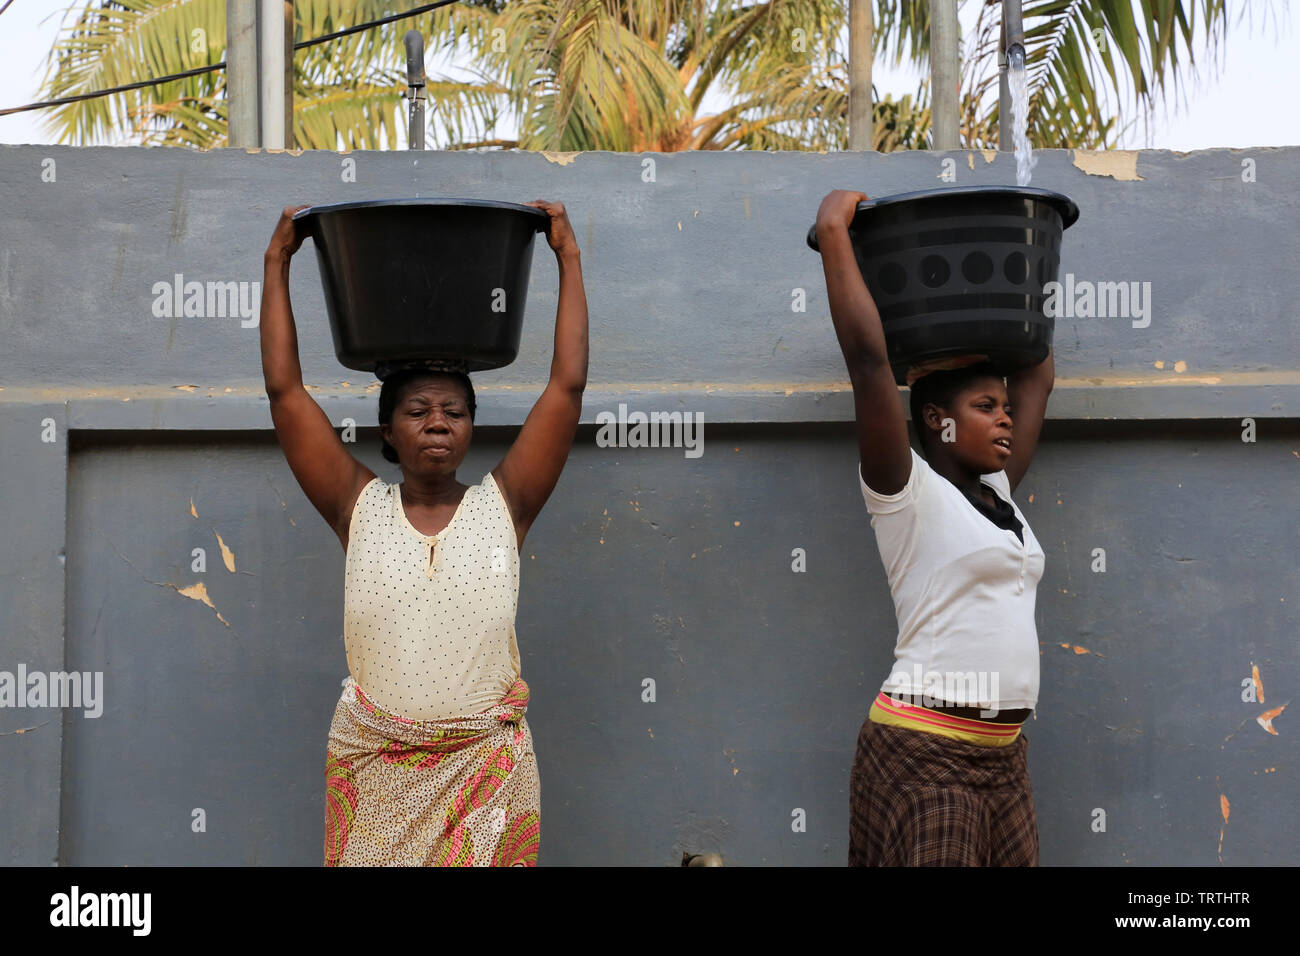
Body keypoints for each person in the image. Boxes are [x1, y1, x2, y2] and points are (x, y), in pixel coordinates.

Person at [259, 199, 588, 866]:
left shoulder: (507, 504)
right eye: (417, 410)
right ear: (387, 430)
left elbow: (567, 386)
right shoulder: (356, 507)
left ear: (470, 427)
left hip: (485, 778)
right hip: (376, 770)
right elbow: (285, 392)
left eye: (454, 411)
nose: (437, 422)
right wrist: (276, 265)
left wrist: (568, 259)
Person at [813, 189, 1053, 866]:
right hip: (925, 754)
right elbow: (868, 364)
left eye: (1004, 407)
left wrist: (1020, 275)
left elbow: (1038, 373)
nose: (1006, 418)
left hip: (1004, 760)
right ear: (934, 421)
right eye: (985, 406)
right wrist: (836, 231)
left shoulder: (998, 494)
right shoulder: (906, 492)